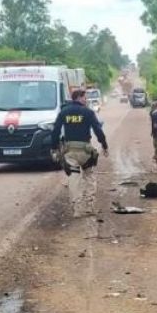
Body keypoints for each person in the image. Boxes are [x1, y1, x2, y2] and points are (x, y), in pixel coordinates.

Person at [52, 89, 109, 218]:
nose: (86, 100)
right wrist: (104, 145)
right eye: (84, 97)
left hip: (70, 151)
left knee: (74, 179)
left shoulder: (64, 112)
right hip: (85, 151)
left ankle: (77, 209)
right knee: (89, 176)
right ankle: (89, 207)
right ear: (78, 97)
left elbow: (55, 131)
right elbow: (98, 130)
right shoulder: (88, 112)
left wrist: (54, 148)